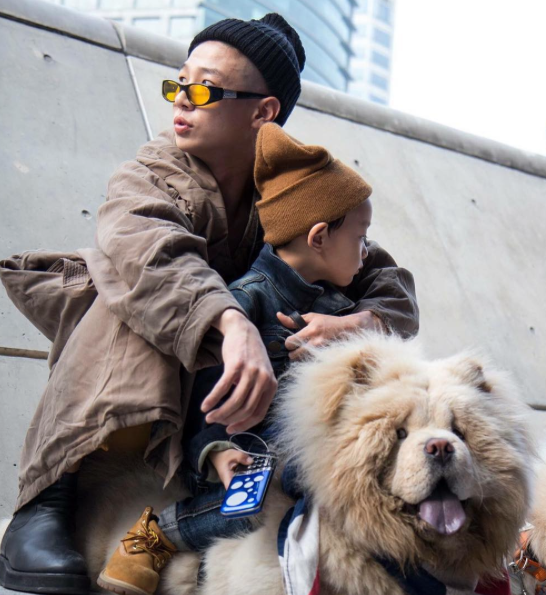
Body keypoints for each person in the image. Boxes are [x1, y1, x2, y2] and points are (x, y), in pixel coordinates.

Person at [0, 13, 419, 595]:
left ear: (263, 112)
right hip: (139, 383)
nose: (181, 100)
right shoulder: (153, 169)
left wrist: (360, 322)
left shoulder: (294, 187)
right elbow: (146, 251)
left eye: (204, 89)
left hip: (238, 413)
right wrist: (231, 319)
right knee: (132, 300)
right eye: (178, 83)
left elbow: (380, 274)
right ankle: (48, 497)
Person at [97, 122, 391, 595]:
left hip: (310, 455)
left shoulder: (340, 309)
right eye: (360, 238)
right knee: (252, 503)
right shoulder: (245, 302)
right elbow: (204, 393)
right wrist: (214, 450)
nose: (366, 253)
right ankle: (155, 535)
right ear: (318, 237)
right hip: (245, 455)